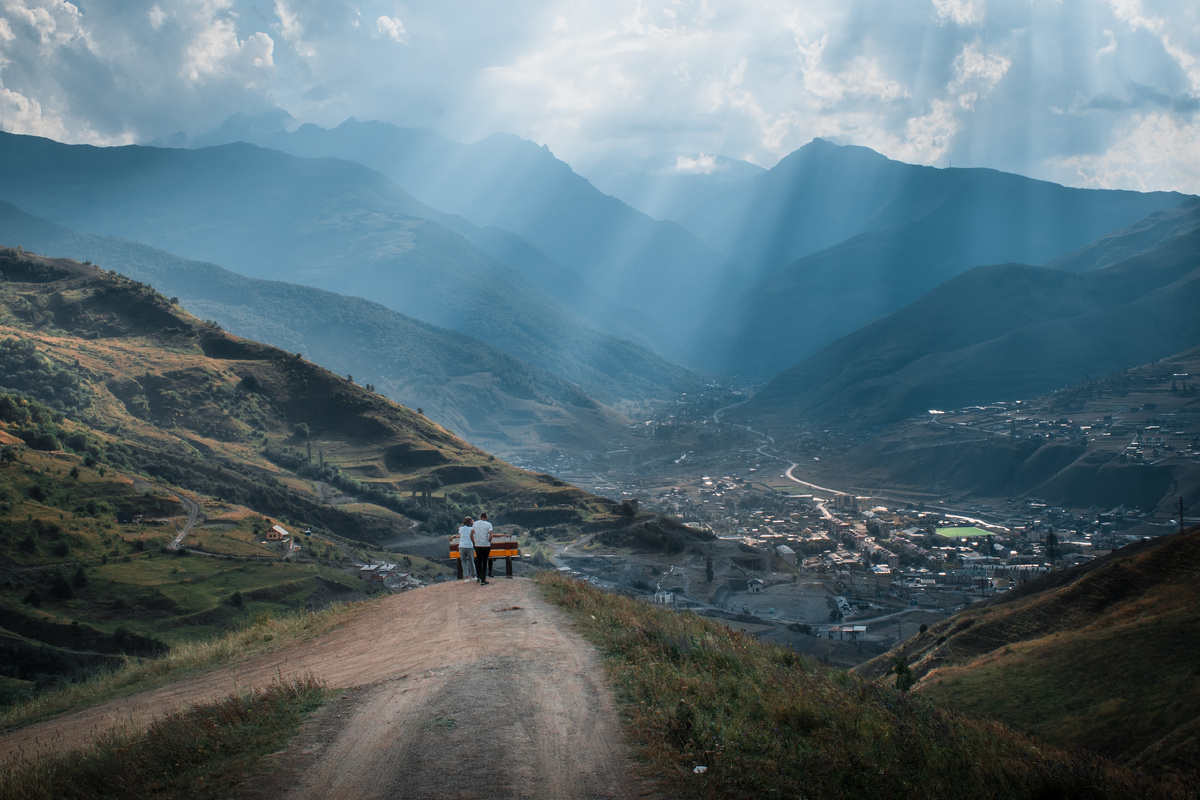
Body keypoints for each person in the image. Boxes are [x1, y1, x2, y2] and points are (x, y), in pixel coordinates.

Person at [472, 512, 493, 584]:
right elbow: (491, 535)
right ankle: (483, 580)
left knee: (478, 561)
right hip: (486, 545)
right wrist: (489, 540)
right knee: (484, 562)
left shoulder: (475, 524)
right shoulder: (489, 524)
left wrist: (474, 542)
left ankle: (478, 576)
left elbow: (471, 534)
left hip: (478, 545)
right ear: (486, 517)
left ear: (480, 517)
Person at [457, 516, 476, 582]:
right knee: (471, 562)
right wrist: (473, 523)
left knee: (464, 562)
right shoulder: (471, 529)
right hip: (469, 546)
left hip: (461, 546)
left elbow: (459, 528)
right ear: (470, 522)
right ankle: (473, 576)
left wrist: (463, 524)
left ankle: (466, 577)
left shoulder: (461, 529)